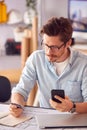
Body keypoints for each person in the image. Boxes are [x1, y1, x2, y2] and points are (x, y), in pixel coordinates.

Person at [9, 17, 87, 117]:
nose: (48, 52)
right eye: (46, 45)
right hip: (46, 120)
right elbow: (20, 90)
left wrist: (72, 107)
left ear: (68, 43)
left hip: (76, 120)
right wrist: (16, 104)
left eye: (54, 47)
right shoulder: (36, 59)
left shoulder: (84, 64)